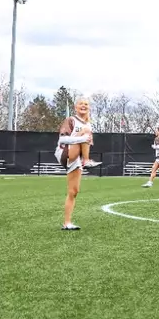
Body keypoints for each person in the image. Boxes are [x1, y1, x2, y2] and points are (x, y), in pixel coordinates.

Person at [56, 97, 99, 230]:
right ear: (75, 107)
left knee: (73, 191)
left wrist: (85, 140)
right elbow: (62, 139)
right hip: (65, 152)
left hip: (76, 158)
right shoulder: (71, 120)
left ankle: (67, 223)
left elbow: (87, 143)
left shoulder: (89, 124)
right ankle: (87, 161)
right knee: (86, 131)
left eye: (86, 104)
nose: (84, 106)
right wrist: (82, 137)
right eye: (81, 103)